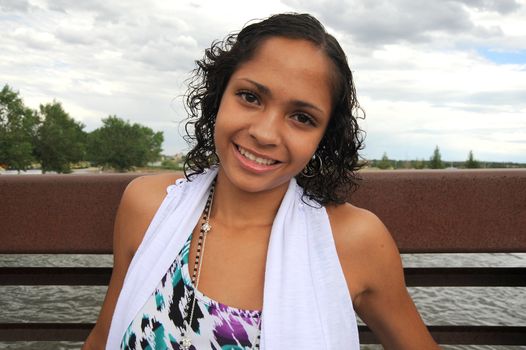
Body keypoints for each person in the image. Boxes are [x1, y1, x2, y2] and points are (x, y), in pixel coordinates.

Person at [83, 13, 440, 350]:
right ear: (218, 95)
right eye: (250, 97)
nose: (265, 133)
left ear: (324, 137)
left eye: (301, 117)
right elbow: (103, 338)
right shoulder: (147, 206)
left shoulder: (354, 241)